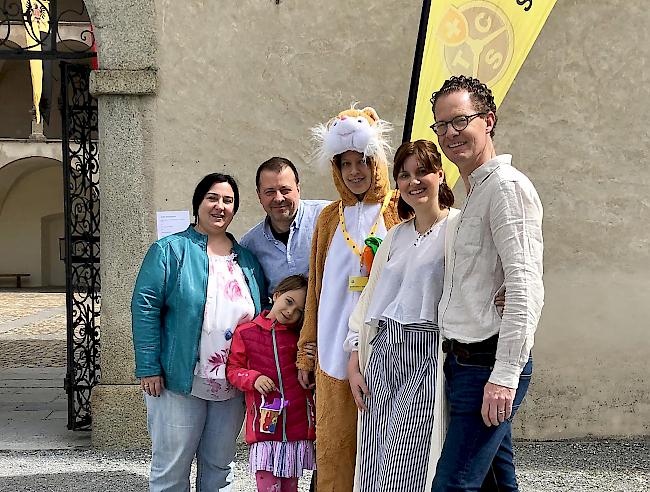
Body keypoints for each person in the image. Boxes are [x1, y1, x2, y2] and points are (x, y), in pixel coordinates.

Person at [429, 75, 544, 491]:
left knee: (452, 484)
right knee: (498, 484)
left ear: (489, 120)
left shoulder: (507, 189)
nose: (449, 134)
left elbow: (527, 286)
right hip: (463, 363)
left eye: (460, 121)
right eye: (441, 125)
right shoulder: (474, 192)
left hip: (487, 364)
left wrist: (505, 374)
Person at [131, 173, 267, 492]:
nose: (220, 206)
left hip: (232, 382)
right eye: (212, 198)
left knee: (220, 466)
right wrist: (149, 367)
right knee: (172, 469)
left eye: (228, 200)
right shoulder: (169, 250)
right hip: (181, 379)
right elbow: (144, 307)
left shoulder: (246, 259)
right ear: (198, 204)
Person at [296, 105, 401, 491]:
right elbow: (316, 288)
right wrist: (307, 349)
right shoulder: (327, 218)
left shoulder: (397, 210)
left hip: (390, 349)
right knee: (335, 448)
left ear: (377, 162)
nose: (355, 172)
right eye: (345, 164)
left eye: (363, 162)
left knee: (386, 453)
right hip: (332, 350)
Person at [345, 139, 456, 491]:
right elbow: (369, 301)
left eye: (422, 171)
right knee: (375, 456)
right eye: (405, 175)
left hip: (425, 354)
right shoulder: (395, 236)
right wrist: (354, 359)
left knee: (408, 461)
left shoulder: (457, 229)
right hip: (382, 351)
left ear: (440, 175)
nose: (414, 181)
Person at [227, 274, 316, 492]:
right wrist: (253, 378)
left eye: (299, 311)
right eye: (288, 302)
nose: (290, 312)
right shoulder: (246, 333)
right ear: (276, 295)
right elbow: (232, 370)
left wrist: (312, 361)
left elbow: (309, 379)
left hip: (296, 427)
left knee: (290, 488)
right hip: (264, 429)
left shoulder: (299, 338)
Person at [240, 157, 329, 298]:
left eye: (285, 190)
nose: (279, 198)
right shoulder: (250, 245)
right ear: (259, 195)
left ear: (298, 189)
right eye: (270, 192)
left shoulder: (327, 217)